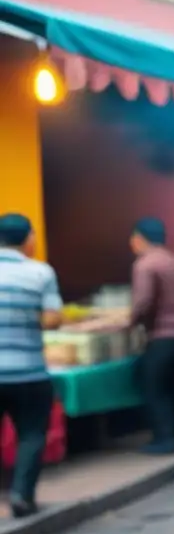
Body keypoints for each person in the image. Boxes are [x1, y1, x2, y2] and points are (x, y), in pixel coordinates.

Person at [0, 214, 62, 517]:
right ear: (28, 238)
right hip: (29, 371)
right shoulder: (40, 272)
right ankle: (22, 496)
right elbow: (52, 319)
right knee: (31, 434)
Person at [130, 217, 174, 454]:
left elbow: (143, 301)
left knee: (154, 387)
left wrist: (128, 322)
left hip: (161, 336)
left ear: (138, 239)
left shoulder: (145, 264)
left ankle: (165, 439)